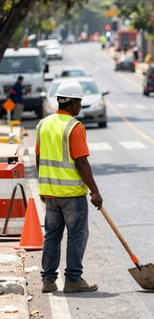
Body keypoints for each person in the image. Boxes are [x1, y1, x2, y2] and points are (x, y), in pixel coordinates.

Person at [35, 80, 103, 293]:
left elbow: (39, 158)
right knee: (77, 235)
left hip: (51, 194)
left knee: (52, 235)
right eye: (79, 102)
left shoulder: (43, 124)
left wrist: (44, 187)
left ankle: (48, 280)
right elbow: (81, 161)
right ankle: (73, 279)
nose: (80, 106)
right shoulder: (74, 127)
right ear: (73, 103)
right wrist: (95, 191)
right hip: (72, 194)